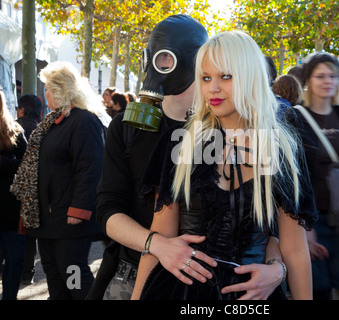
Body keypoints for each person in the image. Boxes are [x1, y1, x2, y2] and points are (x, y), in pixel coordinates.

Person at [91, 15, 286, 301]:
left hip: (218, 284)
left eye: (169, 58)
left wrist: (277, 267)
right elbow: (107, 209)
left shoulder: (234, 127)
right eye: (157, 57)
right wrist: (155, 244)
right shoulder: (126, 127)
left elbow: (272, 218)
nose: (162, 68)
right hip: (134, 271)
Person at [132, 30, 317, 301]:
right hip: (179, 294)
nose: (213, 88)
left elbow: (296, 249)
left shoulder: (281, 148)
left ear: (250, 77)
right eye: (206, 78)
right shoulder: (179, 144)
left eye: (225, 77)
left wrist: (279, 269)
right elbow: (159, 239)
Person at [10, 61, 110, 300]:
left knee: (74, 277)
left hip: (70, 220)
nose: (44, 94)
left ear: (61, 89)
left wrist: (79, 210)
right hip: (48, 220)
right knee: (55, 277)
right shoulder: (54, 122)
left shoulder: (84, 120)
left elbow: (90, 169)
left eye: (48, 88)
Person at [284, 51, 339, 300]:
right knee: (317, 288)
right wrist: (304, 228)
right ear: (308, 80)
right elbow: (291, 175)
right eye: (321, 76)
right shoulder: (295, 118)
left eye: (333, 76)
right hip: (311, 218)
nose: (328, 81)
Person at [0, 88, 27, 300]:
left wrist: (5, 164)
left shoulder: (13, 130)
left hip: (11, 209)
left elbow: (28, 165)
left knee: (15, 259)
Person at [16, 94, 43, 286]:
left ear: (22, 109)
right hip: (34, 192)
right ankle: (27, 272)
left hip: (13, 189)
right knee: (29, 235)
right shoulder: (42, 130)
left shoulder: (12, 128)